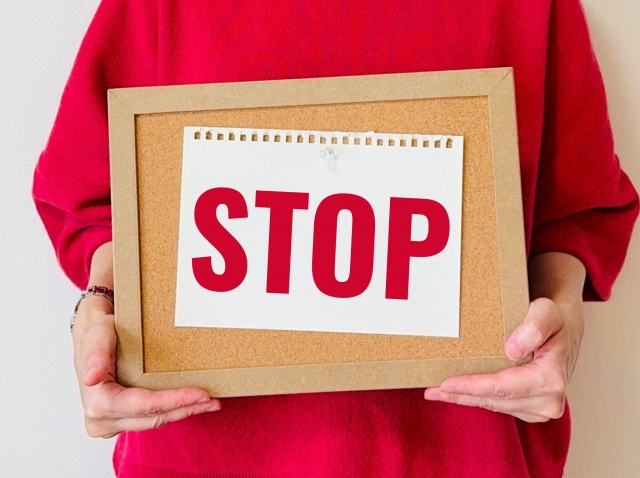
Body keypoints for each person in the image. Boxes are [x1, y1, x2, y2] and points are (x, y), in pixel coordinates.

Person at [33, 0, 638, 476]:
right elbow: (100, 200)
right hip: (203, 455)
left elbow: (572, 211)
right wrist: (98, 308)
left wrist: (561, 321)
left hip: (460, 456)